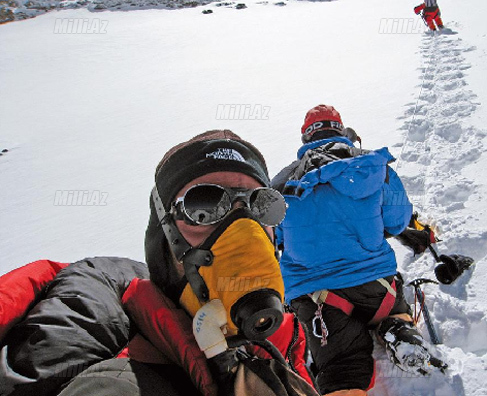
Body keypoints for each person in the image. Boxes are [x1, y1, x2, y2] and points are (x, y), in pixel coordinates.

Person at [0, 130, 317, 396]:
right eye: (204, 206)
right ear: (166, 239)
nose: (243, 227)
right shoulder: (118, 351)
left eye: (260, 205)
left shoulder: (285, 340)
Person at [272, 105, 439, 396]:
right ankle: (398, 327)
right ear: (340, 130)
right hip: (377, 288)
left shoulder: (280, 184)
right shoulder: (374, 167)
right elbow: (399, 221)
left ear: (305, 138)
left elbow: (274, 240)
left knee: (342, 368)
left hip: (318, 301)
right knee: (392, 306)